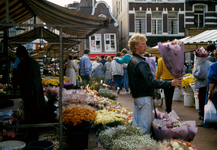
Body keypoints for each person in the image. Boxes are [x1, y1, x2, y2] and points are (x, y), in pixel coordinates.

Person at [127, 33, 181, 133]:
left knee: (136, 126)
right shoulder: (140, 62)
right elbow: (151, 81)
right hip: (144, 98)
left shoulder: (132, 60)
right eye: (143, 44)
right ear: (136, 46)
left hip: (137, 97)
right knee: (145, 129)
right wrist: (170, 83)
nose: (145, 46)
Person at [14, 46, 46, 142]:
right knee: (35, 113)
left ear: (19, 55)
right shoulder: (34, 62)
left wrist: (14, 85)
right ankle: (35, 134)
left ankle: (32, 136)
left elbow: (18, 78)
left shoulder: (23, 63)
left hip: (29, 92)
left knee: (30, 113)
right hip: (37, 91)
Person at [192, 53, 212, 127]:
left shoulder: (201, 64)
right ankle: (207, 119)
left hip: (203, 85)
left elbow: (201, 75)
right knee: (206, 103)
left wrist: (194, 71)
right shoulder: (209, 63)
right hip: (208, 85)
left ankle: (205, 120)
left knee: (203, 103)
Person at [204, 51, 217, 130]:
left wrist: (209, 93)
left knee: (215, 109)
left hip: (215, 92)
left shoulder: (214, 66)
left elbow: (212, 80)